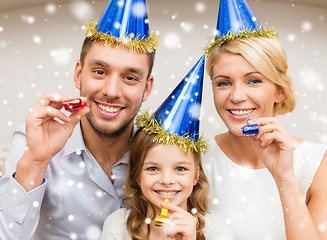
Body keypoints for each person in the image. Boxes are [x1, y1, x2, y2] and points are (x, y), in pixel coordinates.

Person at [0, 0, 159, 239]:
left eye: (129, 77)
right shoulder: (33, 140)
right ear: (78, 74)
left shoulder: (161, 152)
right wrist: (35, 162)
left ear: (146, 89)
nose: (112, 91)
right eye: (100, 72)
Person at [203, 0, 327, 239]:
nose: (237, 96)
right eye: (224, 83)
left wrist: (285, 178)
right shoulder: (194, 160)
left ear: (280, 91)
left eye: (254, 80)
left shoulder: (318, 164)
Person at [101, 56, 235, 240]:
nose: (166, 180)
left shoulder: (215, 229)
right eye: (153, 168)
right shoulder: (119, 227)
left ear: (196, 175)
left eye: (180, 168)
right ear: (137, 176)